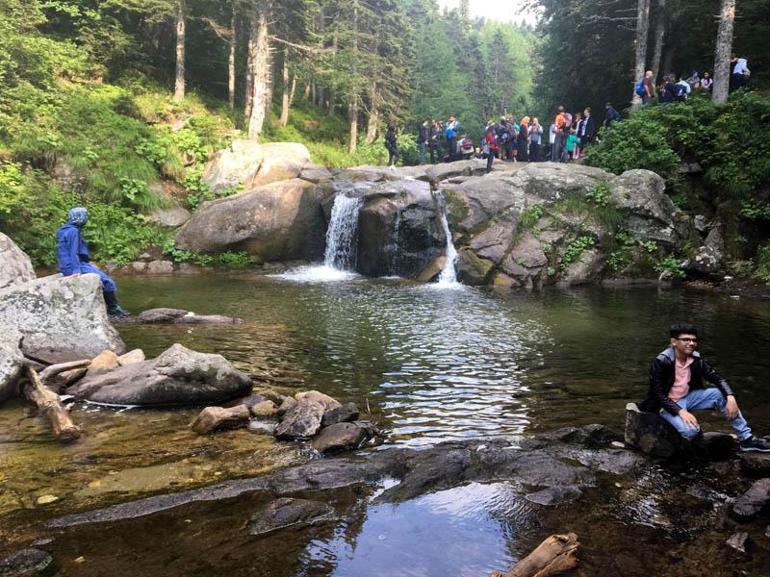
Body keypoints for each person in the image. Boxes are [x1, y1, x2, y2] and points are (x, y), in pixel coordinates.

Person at [641, 324, 770, 452]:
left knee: (719, 394)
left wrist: (730, 397)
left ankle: (746, 439)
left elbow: (718, 378)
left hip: (687, 397)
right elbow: (657, 394)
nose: (691, 343)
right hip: (665, 405)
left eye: (693, 340)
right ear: (674, 342)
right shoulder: (662, 361)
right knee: (691, 431)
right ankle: (673, 435)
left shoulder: (696, 359)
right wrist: (680, 411)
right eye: (686, 339)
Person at [56, 207, 130, 317]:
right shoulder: (74, 231)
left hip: (66, 265)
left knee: (100, 275)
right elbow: (73, 251)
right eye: (85, 216)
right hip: (74, 266)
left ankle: (110, 306)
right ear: (80, 218)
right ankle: (113, 308)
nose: (86, 219)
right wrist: (76, 270)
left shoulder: (63, 230)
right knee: (108, 281)